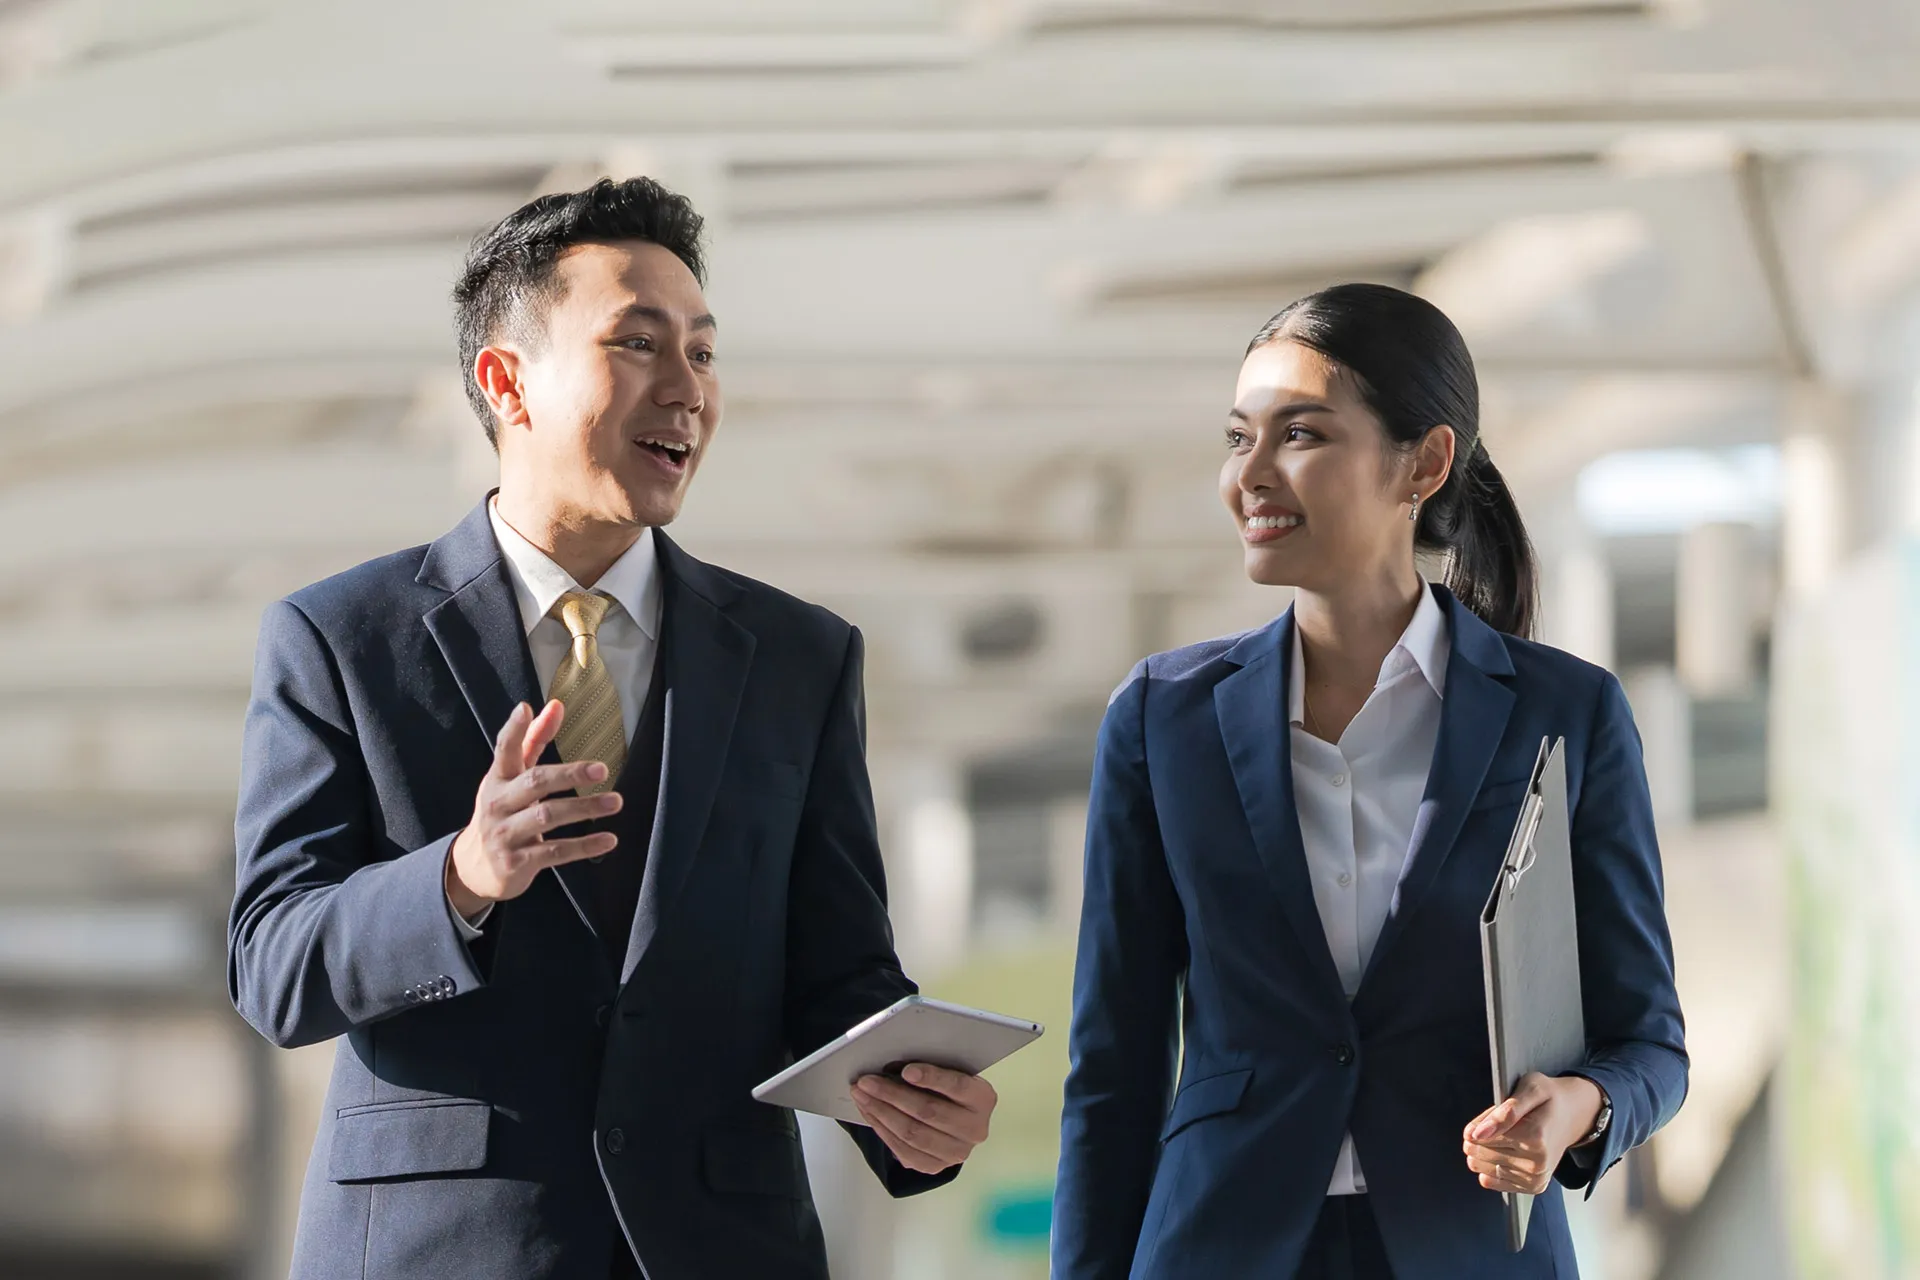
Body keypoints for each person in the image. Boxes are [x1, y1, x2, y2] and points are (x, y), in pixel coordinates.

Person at [228, 177, 997, 1280]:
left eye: (704, 350)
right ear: (508, 381)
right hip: (441, 1248)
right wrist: (459, 874)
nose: (685, 388)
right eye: (638, 344)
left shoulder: (799, 656)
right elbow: (272, 963)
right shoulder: (341, 637)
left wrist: (916, 1109)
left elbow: (841, 976)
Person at [1051, 283, 1687, 1279]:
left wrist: (1576, 1107)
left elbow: (1649, 1043)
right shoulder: (1161, 717)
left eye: (1299, 434)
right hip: (1222, 1247)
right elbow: (1113, 1076)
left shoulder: (1565, 713)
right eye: (1238, 436)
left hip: (1471, 1245)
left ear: (1424, 462)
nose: (1248, 475)